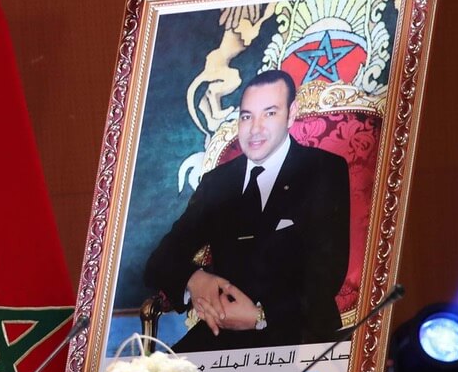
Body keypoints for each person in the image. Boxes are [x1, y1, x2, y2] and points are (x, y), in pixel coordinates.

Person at [144, 69, 350, 352]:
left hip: (298, 331)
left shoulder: (323, 169)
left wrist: (260, 317)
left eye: (269, 113)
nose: (255, 129)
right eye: (246, 116)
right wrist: (195, 279)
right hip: (222, 333)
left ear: (291, 114)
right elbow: (160, 260)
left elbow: (327, 275)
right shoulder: (218, 182)